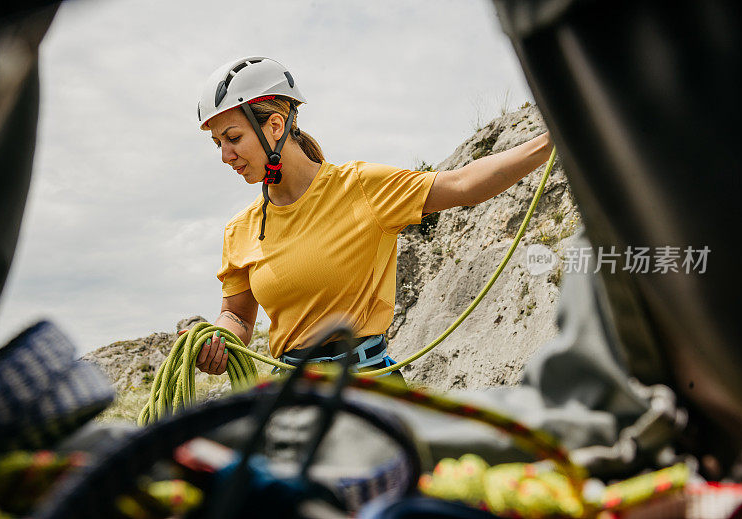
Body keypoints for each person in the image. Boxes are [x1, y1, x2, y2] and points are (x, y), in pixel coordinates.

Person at [194, 56, 553, 380]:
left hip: (371, 388)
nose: (226, 155)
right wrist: (218, 337)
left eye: (233, 137)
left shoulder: (360, 187)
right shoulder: (239, 230)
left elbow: (463, 184)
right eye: (218, 144)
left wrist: (553, 141)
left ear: (275, 125)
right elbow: (238, 317)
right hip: (295, 399)